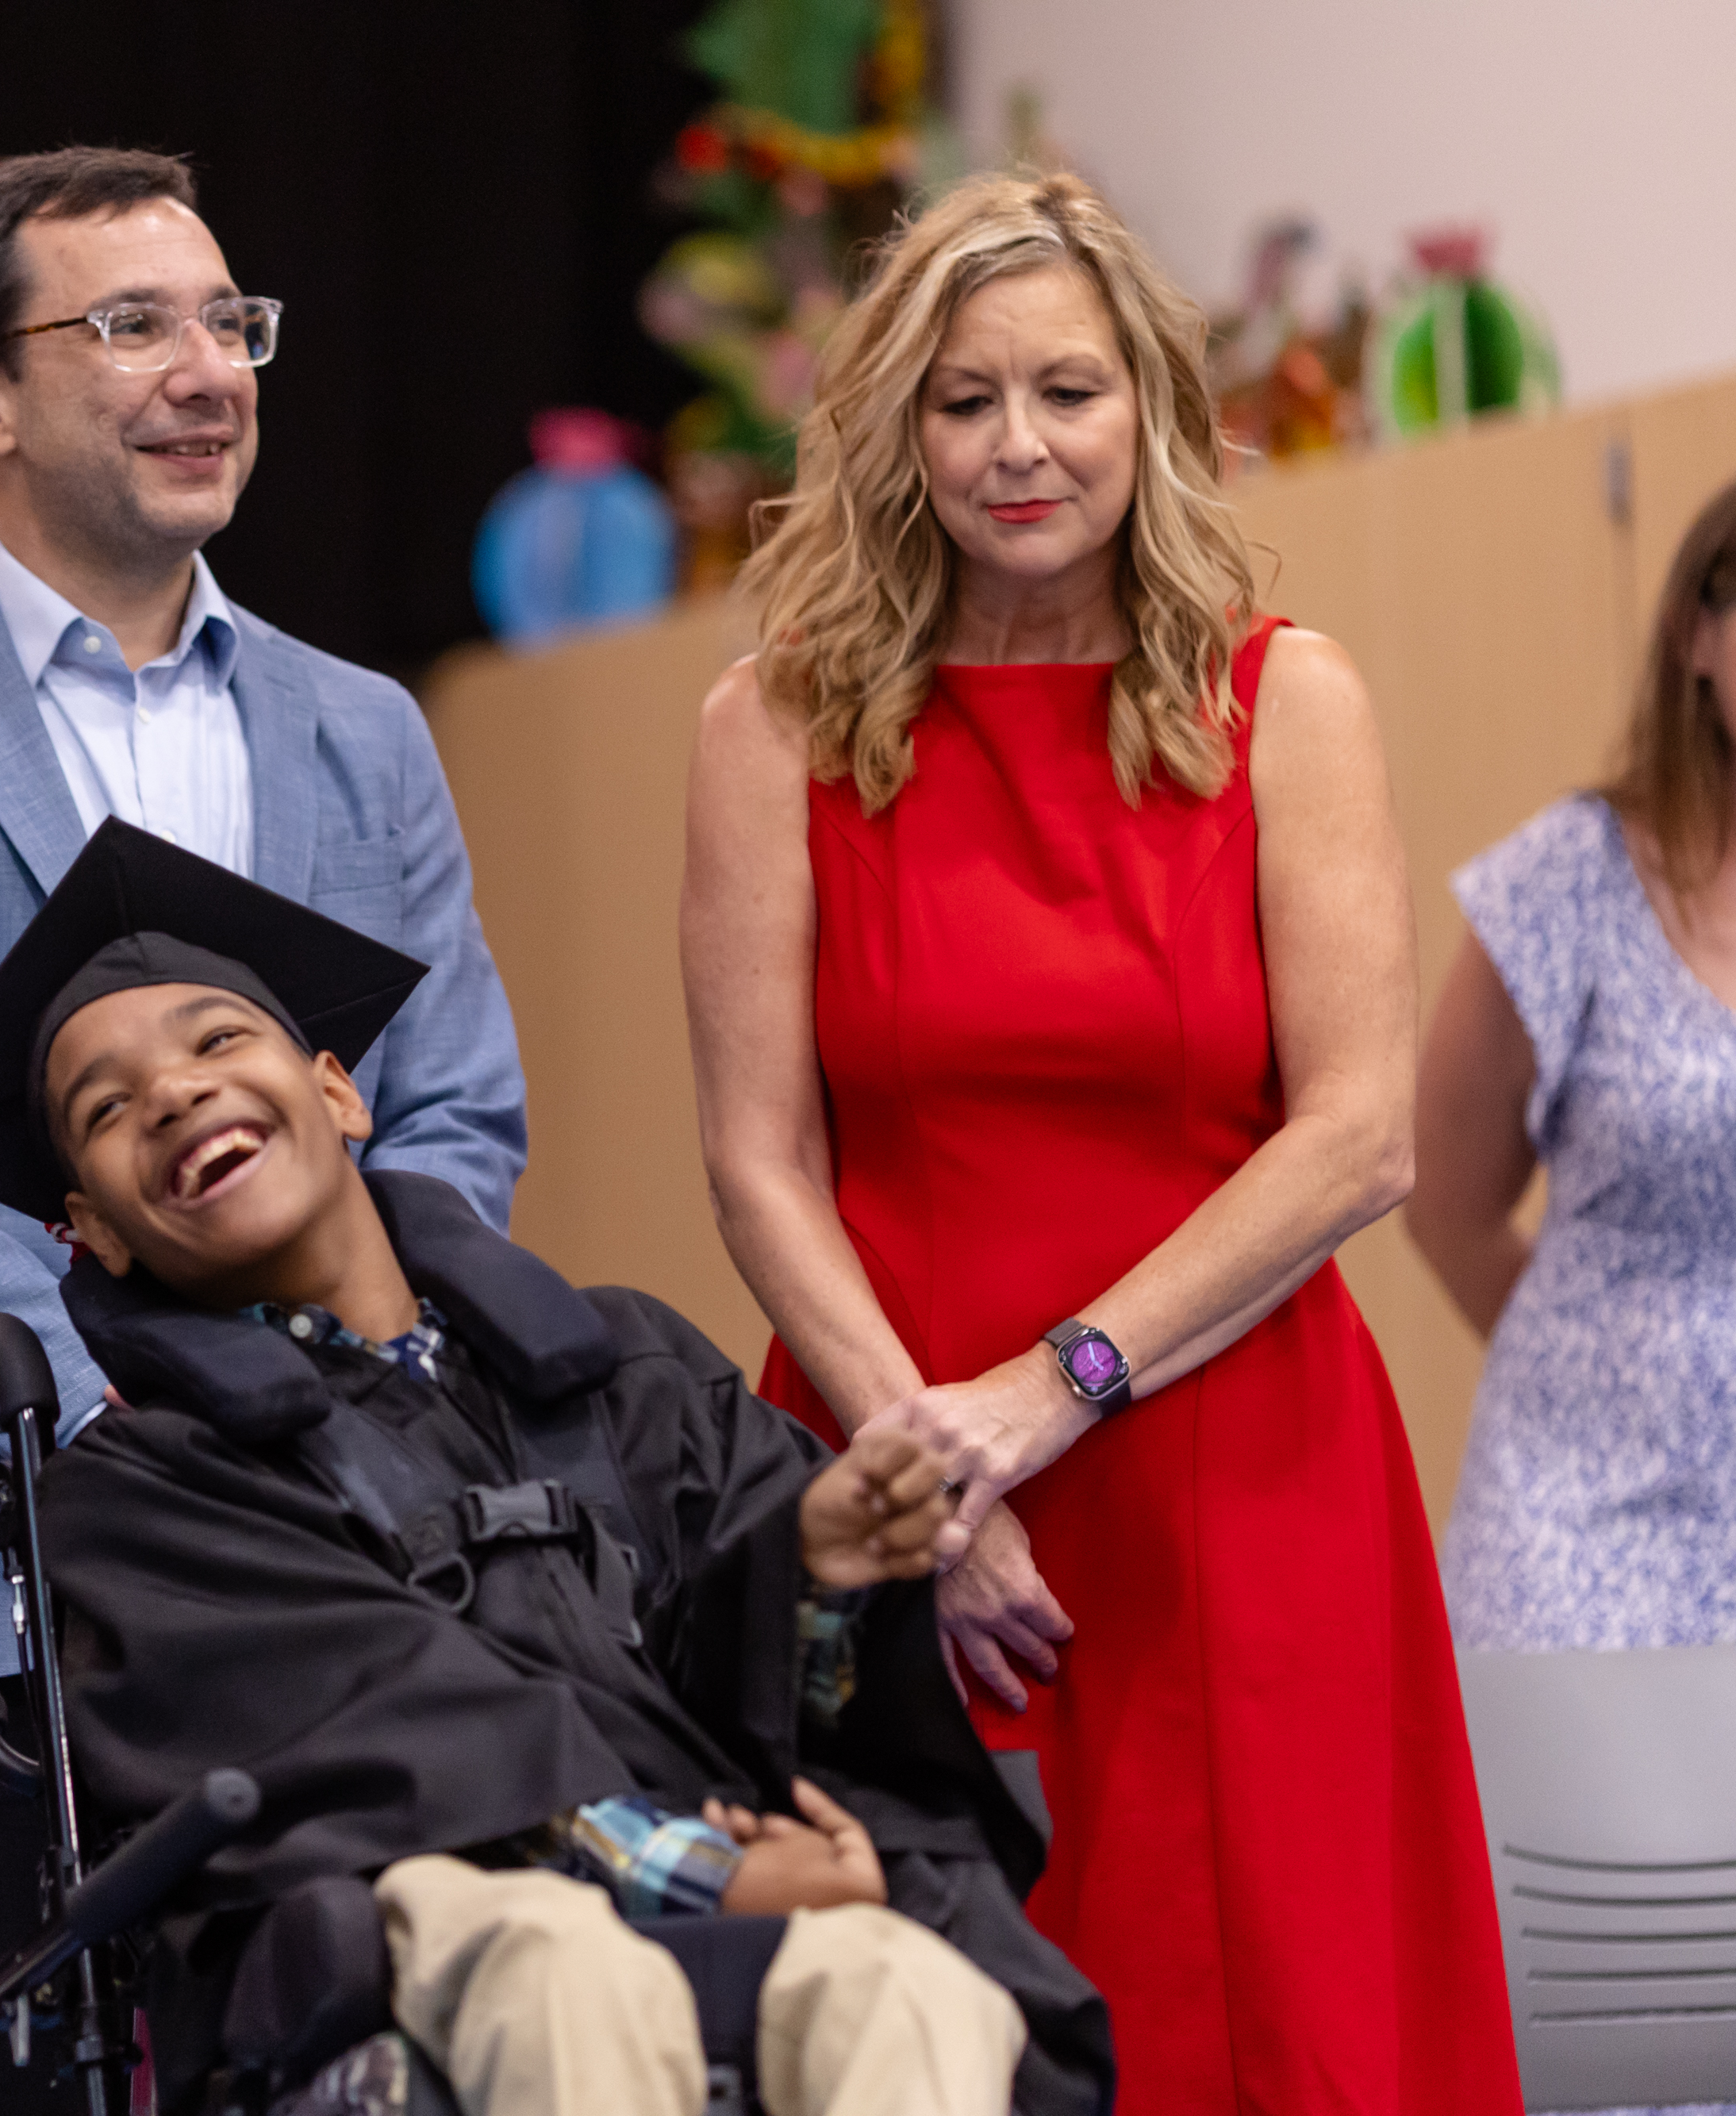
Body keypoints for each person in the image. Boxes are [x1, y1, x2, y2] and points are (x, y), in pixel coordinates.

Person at [0, 148, 526, 2111]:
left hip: (342, 1567)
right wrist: (130, 1390)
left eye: (227, 323)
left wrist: (325, 1380)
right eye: (129, 324)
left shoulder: (359, 726)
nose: (205, 369)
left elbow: (457, 1112)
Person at [680, 170, 1517, 2111]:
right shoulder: (770, 725)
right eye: (961, 400)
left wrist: (1036, 1401)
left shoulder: (1283, 700)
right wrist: (923, 1469)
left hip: (1234, 1476)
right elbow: (754, 1159)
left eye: (1064, 391)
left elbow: (1356, 1136)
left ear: (1148, 405)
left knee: (1281, 2029)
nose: (1015, 446)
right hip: (888, 1484)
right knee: (934, 2026)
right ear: (896, 432)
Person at [0, 820, 1112, 2116]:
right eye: (108, 1109)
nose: (175, 1093)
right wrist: (706, 1877)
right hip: (419, 1941)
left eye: (217, 1040)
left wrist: (822, 1582)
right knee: (562, 1963)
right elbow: (366, 1754)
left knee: (896, 1979)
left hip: (737, 1886)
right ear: (94, 1237)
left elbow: (788, 1715)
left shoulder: (626, 1365)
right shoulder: (144, 1495)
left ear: (341, 1092)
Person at [1415, 478, 1736, 1681]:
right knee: (1583, 1870)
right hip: (1580, 1547)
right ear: (1696, 636)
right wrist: (1601, 1367)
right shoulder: (1571, 875)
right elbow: (1444, 1196)